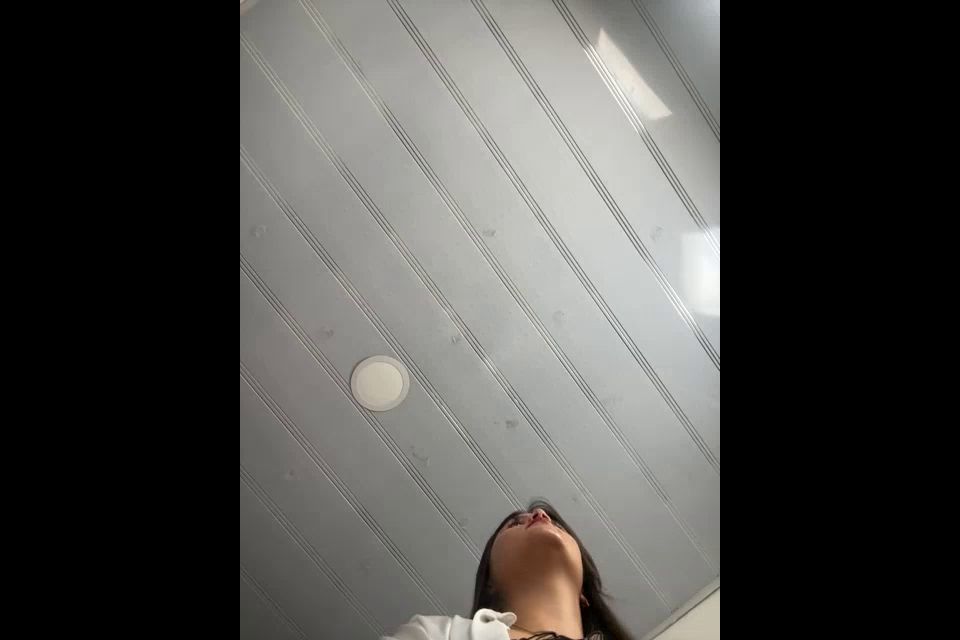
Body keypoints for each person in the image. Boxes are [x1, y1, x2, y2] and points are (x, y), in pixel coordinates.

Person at [381, 500, 635, 640]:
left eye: (558, 524)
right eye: (514, 524)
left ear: (583, 593)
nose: (539, 514)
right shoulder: (438, 635)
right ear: (489, 582)